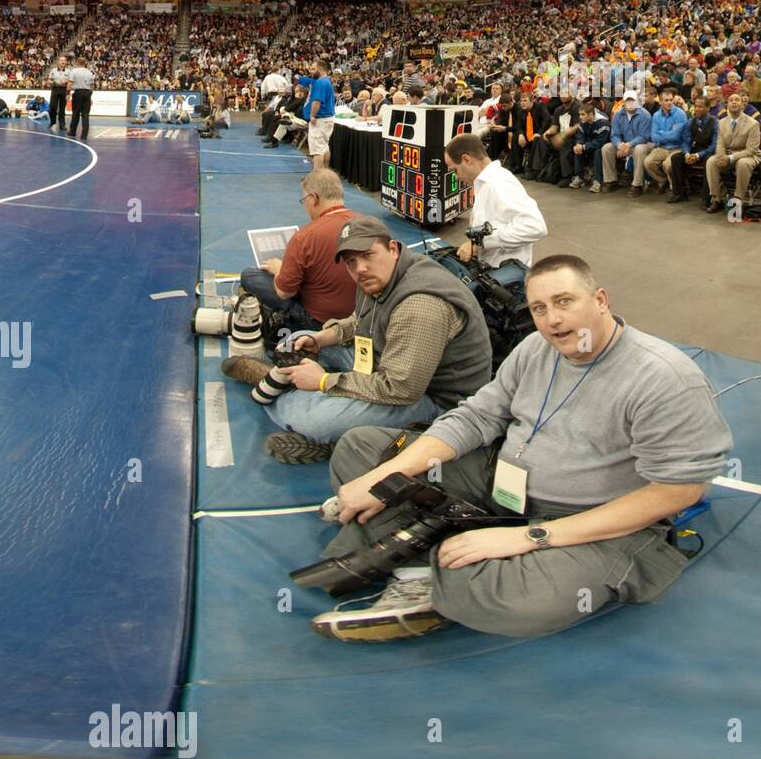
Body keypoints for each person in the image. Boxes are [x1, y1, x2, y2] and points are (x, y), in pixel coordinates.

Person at [303, 254, 730, 642]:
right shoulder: (535, 348)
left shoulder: (664, 378)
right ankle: (450, 546)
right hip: (502, 486)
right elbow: (477, 417)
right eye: (539, 309)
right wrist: (383, 476)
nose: (553, 320)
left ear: (600, 300)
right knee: (360, 448)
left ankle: (429, 560)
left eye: (564, 302)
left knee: (534, 598)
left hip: (586, 522)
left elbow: (678, 491)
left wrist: (532, 537)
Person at [220, 218, 495, 464]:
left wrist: (323, 382)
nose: (360, 267)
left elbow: (400, 389)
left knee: (310, 419)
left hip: (433, 400)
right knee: (297, 340)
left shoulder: (419, 305)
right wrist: (322, 339)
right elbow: (361, 320)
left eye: (367, 255)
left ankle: (283, 391)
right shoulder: (381, 276)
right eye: (351, 261)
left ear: (393, 249)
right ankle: (296, 387)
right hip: (389, 362)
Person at [239, 167, 363, 334]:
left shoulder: (305, 237)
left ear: (313, 198)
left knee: (250, 275)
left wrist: (279, 269)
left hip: (317, 321)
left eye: (304, 200)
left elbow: (284, 292)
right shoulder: (367, 224)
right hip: (360, 317)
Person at [444, 133, 546, 291]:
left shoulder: (500, 184)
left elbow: (535, 227)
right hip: (495, 274)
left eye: (455, 170)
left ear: (466, 159)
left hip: (508, 283)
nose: (456, 177)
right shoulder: (486, 183)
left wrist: (481, 243)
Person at [706, 100, 761, 212]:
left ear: (742, 105)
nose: (734, 102)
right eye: (731, 100)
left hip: (749, 155)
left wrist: (729, 158)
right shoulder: (721, 122)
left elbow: (751, 150)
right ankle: (716, 199)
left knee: (742, 163)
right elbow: (720, 143)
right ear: (727, 106)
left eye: (737, 100)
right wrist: (721, 156)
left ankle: (738, 200)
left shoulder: (753, 123)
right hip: (728, 154)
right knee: (711, 161)